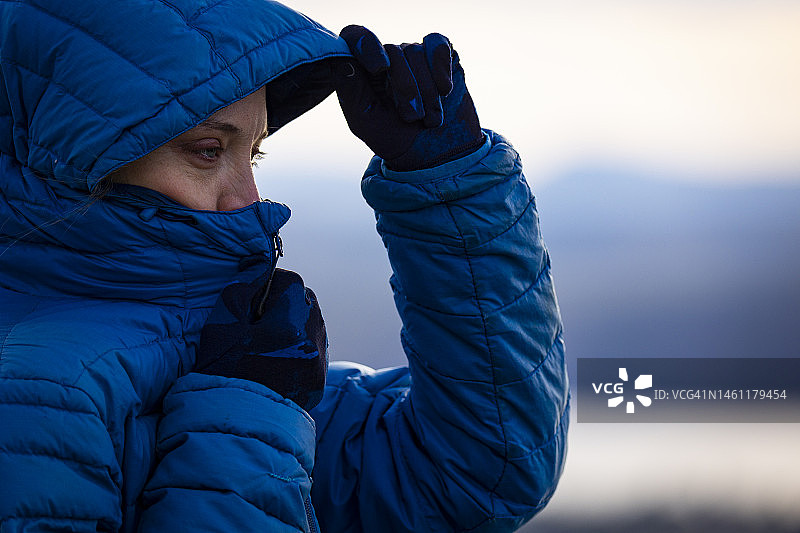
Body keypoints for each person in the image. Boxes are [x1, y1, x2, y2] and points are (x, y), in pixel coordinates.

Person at [0, 1, 569, 531]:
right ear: (67, 154)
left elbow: (481, 479)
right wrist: (244, 415)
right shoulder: (38, 394)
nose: (249, 199)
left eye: (255, 152)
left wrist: (448, 189)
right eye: (207, 150)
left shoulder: (230, 351)